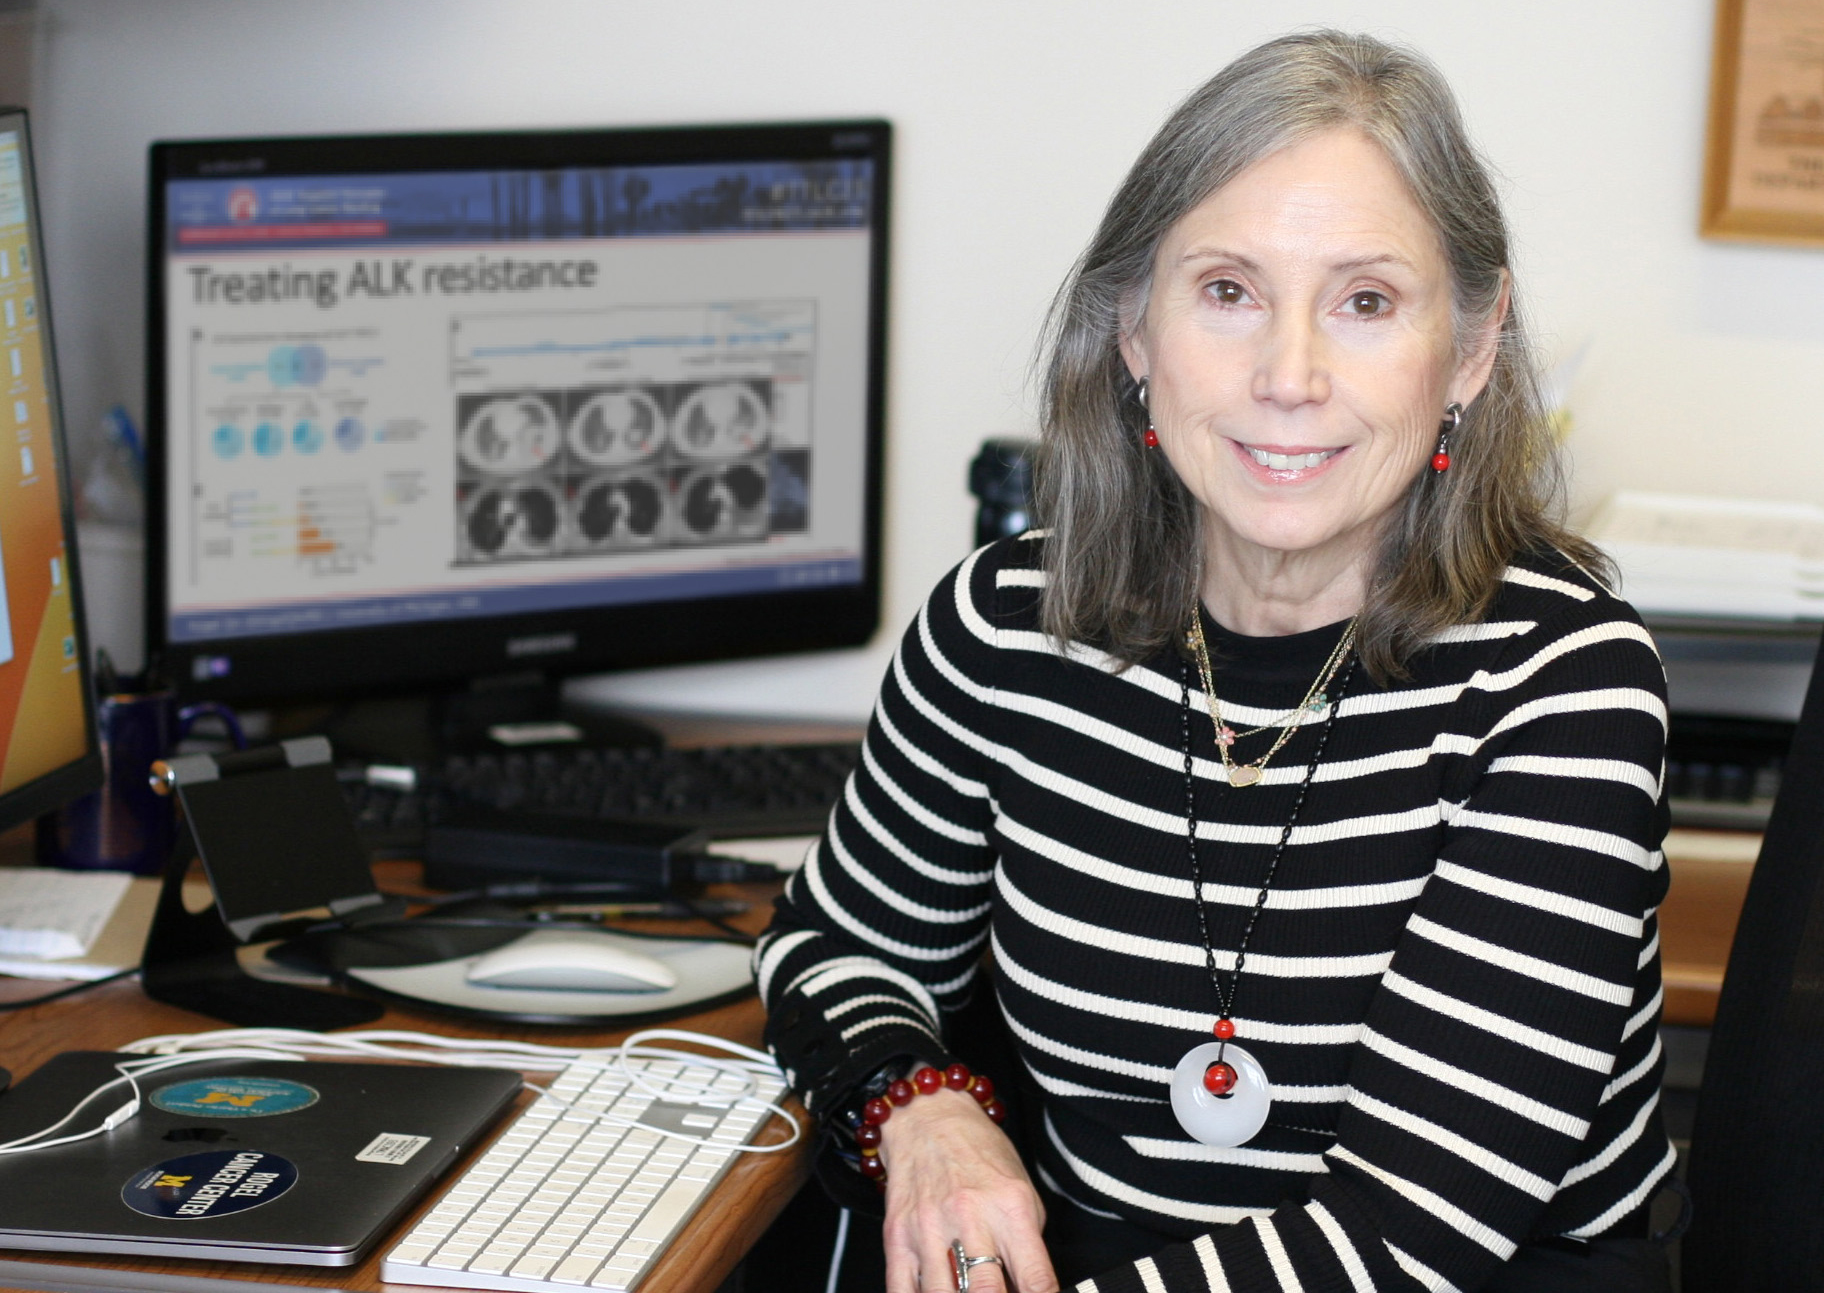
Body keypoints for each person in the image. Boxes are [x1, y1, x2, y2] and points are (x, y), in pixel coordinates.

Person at [758, 29, 1674, 1293]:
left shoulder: (1561, 684)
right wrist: (923, 1108)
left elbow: (1410, 1235)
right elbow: (830, 948)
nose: (1287, 377)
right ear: (1134, 328)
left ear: (1468, 347)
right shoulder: (1004, 627)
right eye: (1228, 291)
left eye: (1366, 301)